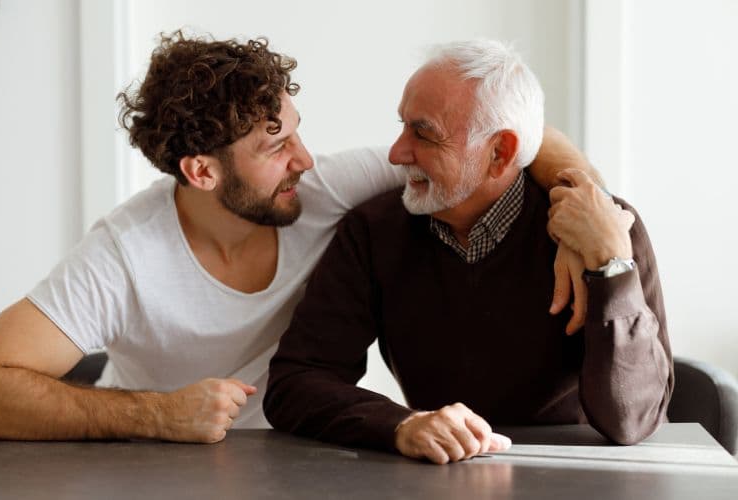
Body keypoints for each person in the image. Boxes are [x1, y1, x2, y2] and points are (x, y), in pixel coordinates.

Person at [0, 33, 604, 444]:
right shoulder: (123, 255)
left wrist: (582, 210)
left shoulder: (320, 190)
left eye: (296, 130)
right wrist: (155, 416)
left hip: (305, 455)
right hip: (156, 473)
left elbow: (513, 139)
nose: (306, 159)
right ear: (202, 171)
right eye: (275, 144)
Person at [264, 39, 673, 464]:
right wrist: (400, 424)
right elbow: (297, 381)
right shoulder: (373, 232)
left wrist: (611, 267)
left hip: (574, 475)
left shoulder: (607, 230)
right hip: (438, 476)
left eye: (423, 133)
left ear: (500, 152)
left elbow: (632, 421)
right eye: (402, 126)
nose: (396, 153)